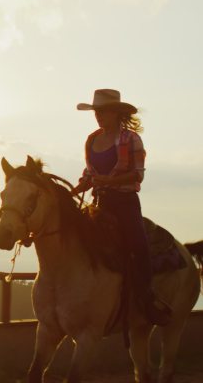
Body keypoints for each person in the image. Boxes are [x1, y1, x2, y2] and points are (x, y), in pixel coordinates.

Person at [71, 88, 171, 326]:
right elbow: (88, 173)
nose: (99, 116)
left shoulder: (131, 139)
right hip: (100, 202)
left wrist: (109, 181)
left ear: (117, 113)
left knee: (139, 244)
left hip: (125, 203)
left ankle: (147, 298)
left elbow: (137, 175)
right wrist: (76, 189)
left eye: (103, 111)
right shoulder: (92, 139)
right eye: (97, 111)